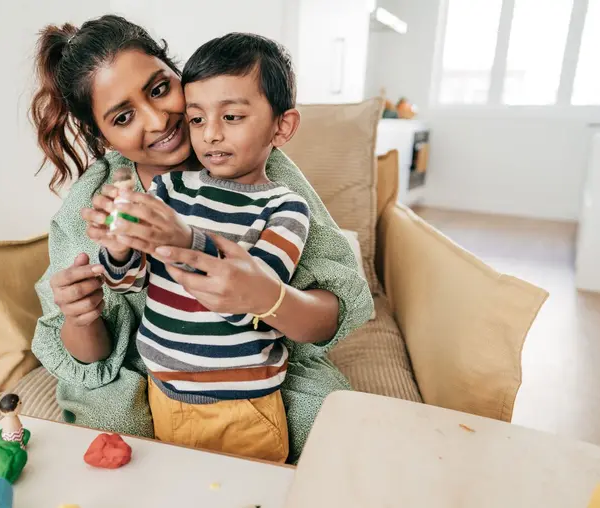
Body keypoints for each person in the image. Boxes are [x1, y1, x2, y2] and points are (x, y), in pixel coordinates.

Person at [29, 15, 373, 463]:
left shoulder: (255, 168)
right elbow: (96, 346)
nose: (158, 120)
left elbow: (327, 311)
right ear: (102, 136)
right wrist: (82, 316)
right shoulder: (97, 204)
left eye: (158, 89)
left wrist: (262, 294)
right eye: (124, 116)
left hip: (251, 369)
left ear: (179, 74)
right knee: (124, 451)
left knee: (333, 440)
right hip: (146, 374)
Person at [93, 33, 313, 462]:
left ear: (281, 126)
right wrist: (119, 248)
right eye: (196, 119)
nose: (210, 135)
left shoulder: (285, 208)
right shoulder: (170, 188)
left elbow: (247, 301)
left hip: (242, 406)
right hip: (165, 394)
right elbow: (129, 283)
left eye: (231, 117)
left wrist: (183, 240)